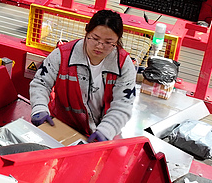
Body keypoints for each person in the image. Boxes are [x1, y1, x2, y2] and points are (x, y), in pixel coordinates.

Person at [28, 9, 138, 142]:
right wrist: (39, 107)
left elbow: (123, 104)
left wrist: (107, 129)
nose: (99, 46)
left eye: (108, 42)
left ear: (117, 41)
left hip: (104, 134)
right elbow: (41, 82)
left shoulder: (123, 65)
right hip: (62, 127)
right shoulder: (62, 55)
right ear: (87, 32)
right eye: (95, 38)